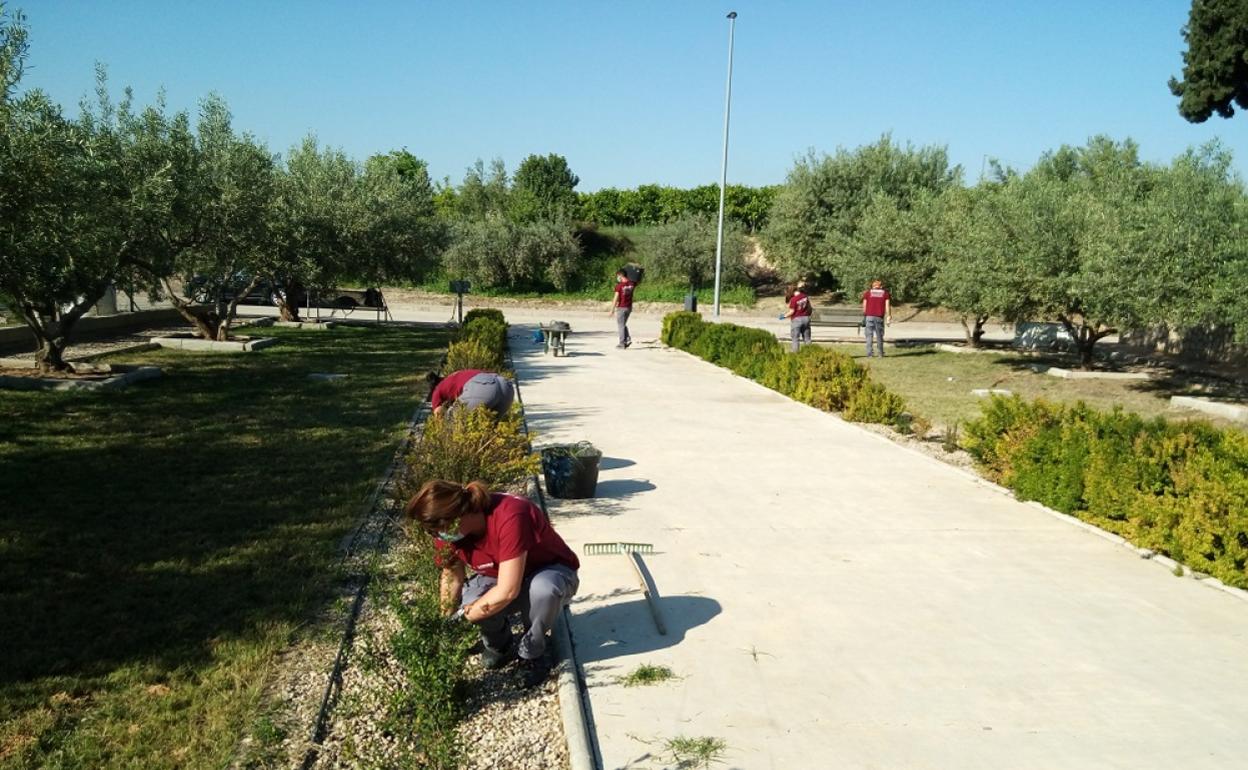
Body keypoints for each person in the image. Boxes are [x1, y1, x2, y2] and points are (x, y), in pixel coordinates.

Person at [405, 479, 581, 688]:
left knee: (542, 591)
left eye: (436, 530)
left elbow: (507, 591)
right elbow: (452, 577)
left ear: (457, 516)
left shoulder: (511, 515)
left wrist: (463, 618)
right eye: (432, 532)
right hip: (501, 575)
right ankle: (501, 645)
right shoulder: (445, 529)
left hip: (550, 571)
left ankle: (532, 654)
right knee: (472, 599)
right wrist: (445, 623)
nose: (437, 536)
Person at [428, 369, 515, 418]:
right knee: (491, 426)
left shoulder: (438, 389)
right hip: (505, 386)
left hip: (482, 388)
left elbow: (438, 414)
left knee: (453, 421)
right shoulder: (455, 375)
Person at [861, 279, 893, 358]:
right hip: (879, 317)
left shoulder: (867, 293)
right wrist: (889, 316)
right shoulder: (885, 294)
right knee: (879, 336)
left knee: (869, 336)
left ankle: (869, 354)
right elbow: (887, 306)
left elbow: (864, 306)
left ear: (872, 286)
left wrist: (865, 315)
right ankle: (880, 353)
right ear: (881, 286)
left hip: (869, 317)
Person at [609, 268, 636, 349]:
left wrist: (612, 310)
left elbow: (615, 298)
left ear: (620, 275)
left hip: (621, 307)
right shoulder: (632, 284)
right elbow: (637, 280)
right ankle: (627, 339)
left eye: (618, 276)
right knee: (623, 324)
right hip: (629, 307)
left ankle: (622, 343)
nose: (617, 278)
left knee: (620, 325)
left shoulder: (619, 286)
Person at [784, 282, 813, 352]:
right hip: (806, 318)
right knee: (807, 338)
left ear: (790, 292)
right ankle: (811, 352)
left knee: (795, 338)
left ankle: (795, 353)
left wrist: (784, 316)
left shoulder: (794, 300)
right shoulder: (805, 296)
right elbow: (809, 308)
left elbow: (792, 312)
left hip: (797, 320)